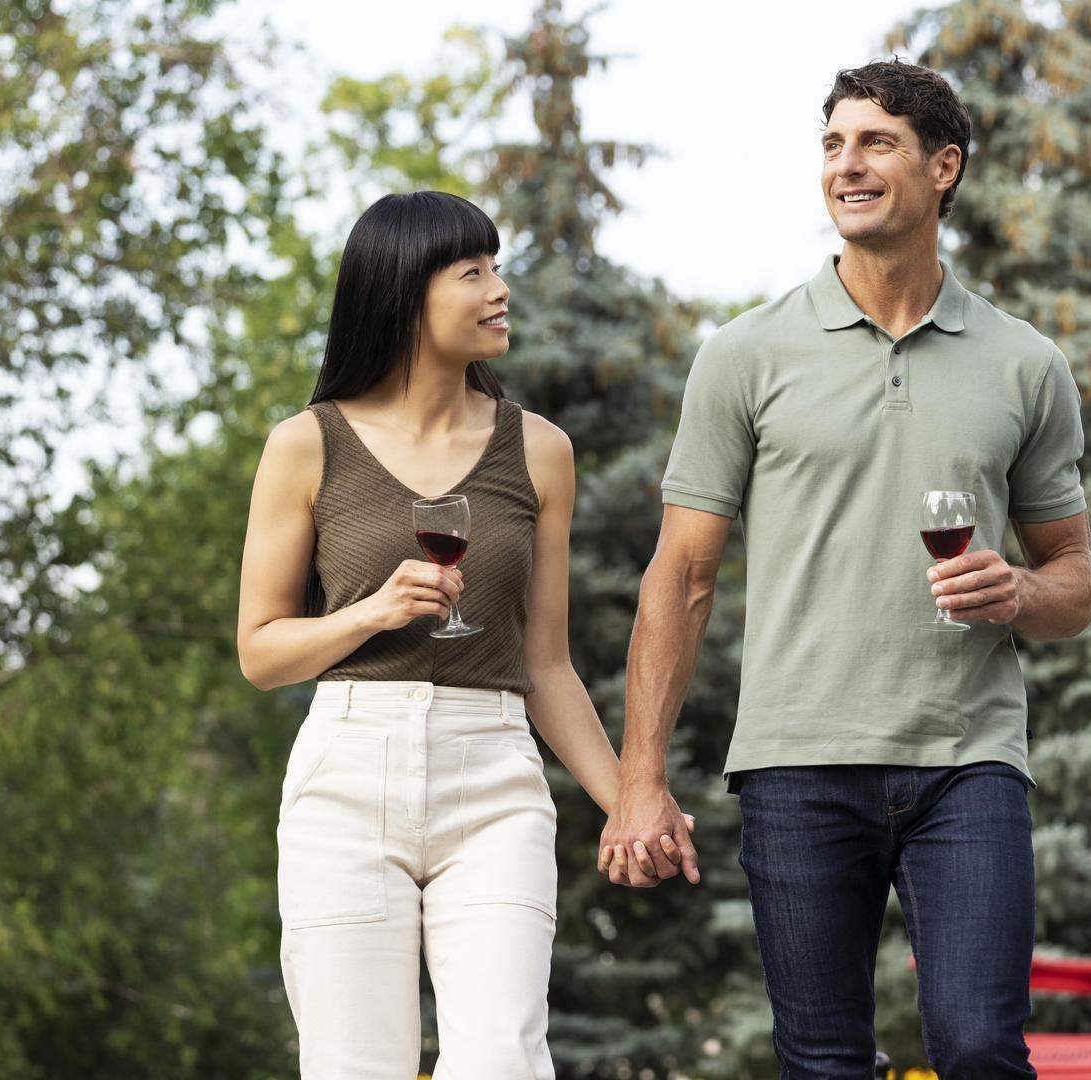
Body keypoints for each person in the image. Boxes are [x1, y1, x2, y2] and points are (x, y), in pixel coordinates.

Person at [598, 61, 1091, 1078]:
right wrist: (638, 779)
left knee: (979, 1048)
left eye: (876, 142)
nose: (847, 164)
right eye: (833, 144)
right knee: (823, 1062)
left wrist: (1020, 591)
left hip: (969, 759)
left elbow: (1075, 581)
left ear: (944, 167)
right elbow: (683, 575)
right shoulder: (745, 355)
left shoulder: (1023, 363)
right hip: (797, 759)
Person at [236, 190, 686, 1078]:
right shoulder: (307, 444)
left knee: (503, 1061)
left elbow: (546, 663)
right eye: (472, 271)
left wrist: (631, 799)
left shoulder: (540, 449)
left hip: (494, 779)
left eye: (497, 267)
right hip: (346, 777)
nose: (499, 289)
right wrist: (371, 612)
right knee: (353, 1064)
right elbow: (260, 651)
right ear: (406, 294)